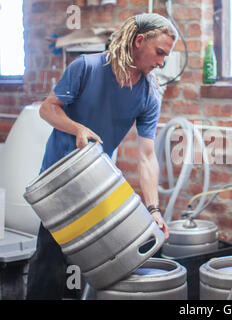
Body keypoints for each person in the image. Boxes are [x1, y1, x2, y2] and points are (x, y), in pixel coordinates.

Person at [27, 13, 177, 300]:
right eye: (159, 53)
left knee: (92, 260)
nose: (161, 62)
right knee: (50, 261)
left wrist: (154, 209)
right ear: (139, 40)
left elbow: (147, 156)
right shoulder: (87, 67)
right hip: (59, 180)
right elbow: (48, 109)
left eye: (165, 57)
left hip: (98, 182)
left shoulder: (149, 94)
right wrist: (77, 128)